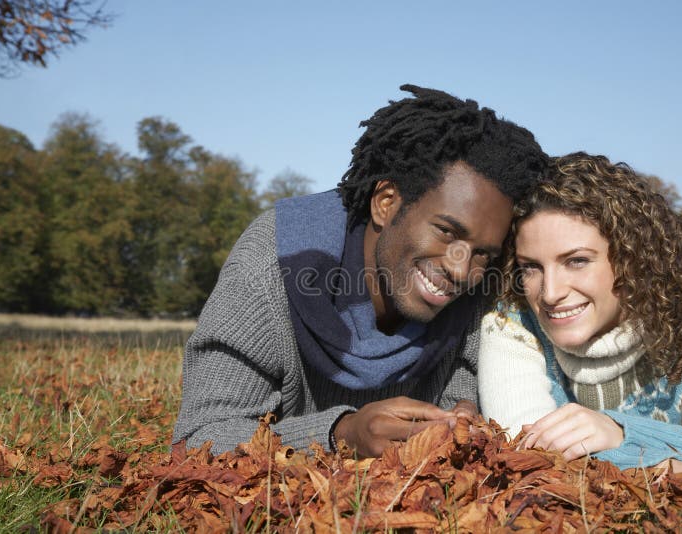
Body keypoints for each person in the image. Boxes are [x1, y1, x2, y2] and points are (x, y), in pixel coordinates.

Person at [172, 85, 549, 457]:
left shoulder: (480, 289)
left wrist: (465, 418)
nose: (460, 268)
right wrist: (341, 433)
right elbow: (199, 438)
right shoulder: (272, 264)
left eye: (482, 253)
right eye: (446, 231)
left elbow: (467, 395)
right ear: (386, 203)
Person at [478, 152, 682, 470]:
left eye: (577, 261)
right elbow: (529, 460)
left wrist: (622, 433)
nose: (550, 293)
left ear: (630, 258)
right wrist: (676, 465)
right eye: (531, 267)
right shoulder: (510, 318)